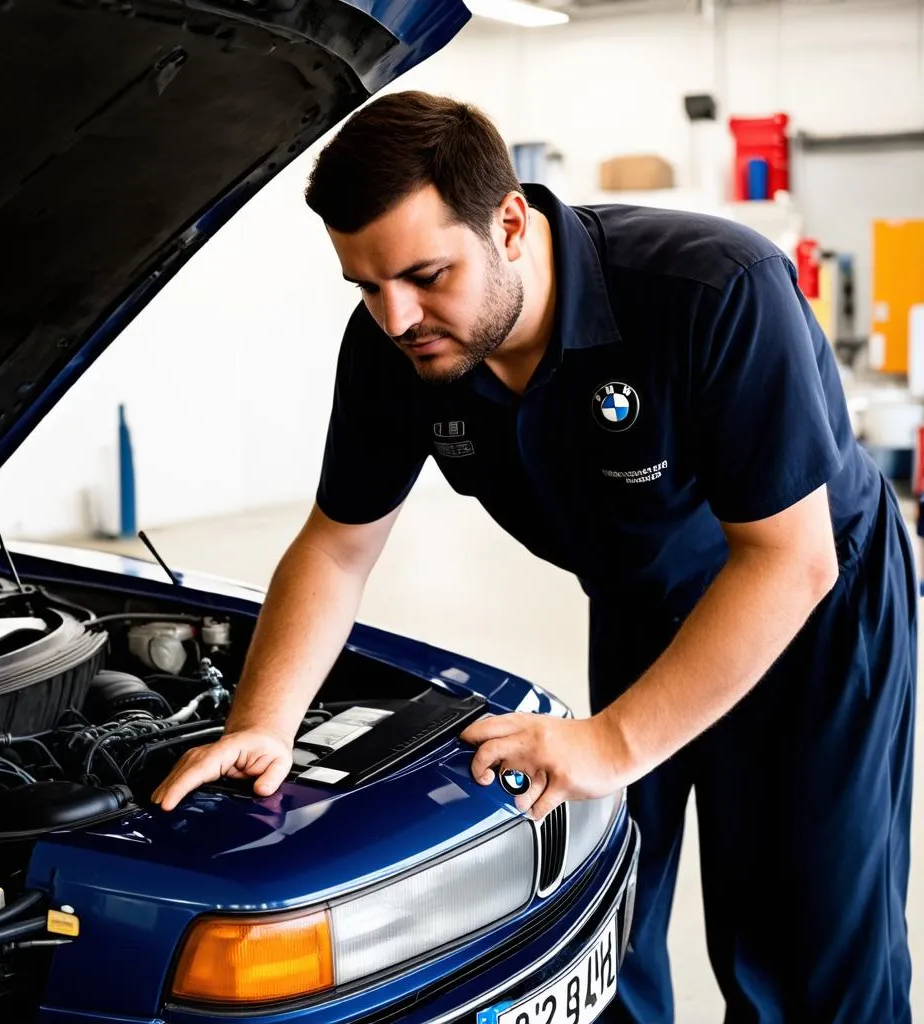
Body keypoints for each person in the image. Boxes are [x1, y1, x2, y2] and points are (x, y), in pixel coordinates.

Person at [151, 91, 916, 1023]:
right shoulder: (398, 345)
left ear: (509, 223)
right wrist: (266, 722)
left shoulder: (714, 289)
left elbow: (787, 562)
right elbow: (337, 546)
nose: (397, 316)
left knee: (802, 942)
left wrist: (615, 741)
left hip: (814, 605)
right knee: (613, 909)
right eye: (365, 284)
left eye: (427, 274)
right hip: (640, 593)